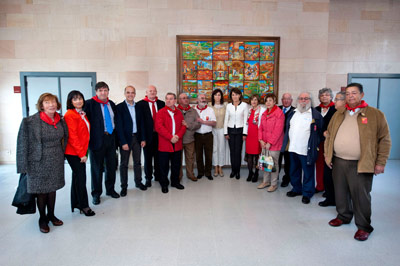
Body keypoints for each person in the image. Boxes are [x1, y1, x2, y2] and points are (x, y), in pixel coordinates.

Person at [325, 83, 391, 241]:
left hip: (361, 163)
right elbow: (329, 135)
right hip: (339, 161)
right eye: (347, 94)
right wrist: (328, 155)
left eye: (354, 93)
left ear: (362, 94)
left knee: (361, 196)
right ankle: (343, 216)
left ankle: (363, 226)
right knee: (340, 192)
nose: (350, 96)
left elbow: (385, 140)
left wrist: (380, 162)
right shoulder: (339, 113)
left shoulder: (375, 114)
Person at [17, 93, 68, 233]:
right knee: (41, 191)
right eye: (47, 102)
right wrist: (22, 166)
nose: (51, 105)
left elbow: (66, 138)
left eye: (53, 102)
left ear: (57, 105)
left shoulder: (60, 120)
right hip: (37, 161)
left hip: (56, 159)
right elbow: (22, 144)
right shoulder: (30, 121)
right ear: (41, 105)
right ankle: (42, 218)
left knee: (52, 189)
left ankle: (51, 215)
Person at [282, 92, 323, 204]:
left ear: (310, 100)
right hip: (293, 148)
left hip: (306, 150)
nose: (303, 101)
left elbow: (319, 133)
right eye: (301, 99)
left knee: (308, 172)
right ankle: (296, 189)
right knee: (293, 171)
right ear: (298, 100)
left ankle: (307, 193)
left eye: (306, 98)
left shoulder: (315, 115)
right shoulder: (293, 113)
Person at [85, 81, 119, 205]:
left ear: (108, 91)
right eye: (100, 90)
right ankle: (96, 194)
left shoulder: (111, 104)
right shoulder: (89, 104)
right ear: (96, 92)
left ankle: (110, 190)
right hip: (96, 140)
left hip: (110, 138)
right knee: (96, 168)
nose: (103, 93)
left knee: (111, 166)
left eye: (105, 90)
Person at [64, 91, 95, 217]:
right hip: (74, 152)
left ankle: (76, 202)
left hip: (80, 150)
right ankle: (84, 206)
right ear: (70, 102)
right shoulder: (70, 115)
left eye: (80, 98)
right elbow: (73, 137)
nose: (78, 101)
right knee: (81, 178)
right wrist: (82, 154)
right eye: (75, 99)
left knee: (77, 178)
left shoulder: (81, 114)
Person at [116, 85, 146, 197]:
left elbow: (141, 124)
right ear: (125, 94)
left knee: (137, 162)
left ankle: (138, 182)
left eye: (132, 92)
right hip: (125, 139)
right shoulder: (119, 107)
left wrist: (143, 138)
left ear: (135, 94)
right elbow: (119, 126)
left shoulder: (139, 107)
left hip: (137, 138)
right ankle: (124, 187)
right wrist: (123, 142)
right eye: (128, 92)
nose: (130, 94)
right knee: (124, 164)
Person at [155, 93, 187, 193]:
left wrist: (177, 136)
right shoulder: (161, 112)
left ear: (175, 100)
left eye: (171, 99)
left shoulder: (179, 113)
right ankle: (164, 184)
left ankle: (175, 182)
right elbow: (159, 127)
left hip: (177, 143)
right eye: (167, 99)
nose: (168, 101)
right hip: (165, 143)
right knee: (163, 166)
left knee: (176, 164)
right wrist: (170, 137)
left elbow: (183, 126)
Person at [137, 85, 165, 187]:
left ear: (156, 92)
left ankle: (158, 175)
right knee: (148, 159)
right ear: (146, 92)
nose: (152, 93)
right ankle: (148, 178)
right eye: (150, 91)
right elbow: (140, 123)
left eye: (154, 91)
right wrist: (142, 138)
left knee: (159, 157)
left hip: (160, 136)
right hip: (147, 136)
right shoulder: (140, 104)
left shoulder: (161, 103)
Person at [257, 94, 285, 191]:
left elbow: (278, 130)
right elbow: (260, 128)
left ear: (274, 102)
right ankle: (266, 181)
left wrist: (270, 142)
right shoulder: (264, 113)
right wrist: (260, 140)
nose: (268, 102)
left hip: (274, 144)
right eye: (266, 101)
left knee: (273, 163)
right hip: (264, 143)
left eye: (270, 100)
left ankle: (273, 184)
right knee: (265, 161)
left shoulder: (279, 113)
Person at [315, 88, 336, 206]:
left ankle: (329, 191)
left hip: (330, 142)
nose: (324, 97)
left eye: (327, 95)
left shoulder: (335, 109)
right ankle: (319, 186)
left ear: (331, 97)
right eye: (322, 95)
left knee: (329, 166)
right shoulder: (316, 109)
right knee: (319, 164)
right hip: (318, 141)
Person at [224, 88, 249, 179]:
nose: (235, 96)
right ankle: (233, 170)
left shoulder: (244, 105)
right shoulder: (228, 106)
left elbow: (246, 120)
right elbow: (226, 119)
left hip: (240, 131)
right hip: (230, 130)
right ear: (231, 96)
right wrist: (225, 132)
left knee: (238, 152)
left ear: (240, 95)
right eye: (233, 95)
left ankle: (237, 171)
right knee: (232, 152)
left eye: (236, 94)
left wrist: (245, 133)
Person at [177, 93, 201, 182]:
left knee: (190, 158)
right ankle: (178, 175)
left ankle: (190, 174)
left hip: (189, 139)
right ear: (179, 100)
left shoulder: (193, 111)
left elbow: (198, 123)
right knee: (178, 159)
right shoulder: (175, 110)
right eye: (183, 98)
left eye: (187, 98)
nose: (186, 99)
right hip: (178, 140)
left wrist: (188, 125)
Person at [194, 93, 217, 180]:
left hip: (208, 136)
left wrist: (203, 122)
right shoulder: (193, 110)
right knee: (198, 156)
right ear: (197, 100)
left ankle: (208, 173)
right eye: (201, 98)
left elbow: (214, 123)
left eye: (204, 98)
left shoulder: (210, 110)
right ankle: (200, 172)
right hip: (197, 136)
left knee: (209, 155)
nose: (203, 100)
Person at [245, 94, 263, 182]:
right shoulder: (249, 111)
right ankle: (250, 172)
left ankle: (256, 173)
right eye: (252, 100)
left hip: (257, 136)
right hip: (249, 136)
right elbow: (246, 123)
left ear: (258, 101)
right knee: (249, 156)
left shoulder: (261, 110)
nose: (254, 101)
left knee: (257, 156)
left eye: (255, 100)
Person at [278, 93, 295, 187]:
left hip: (288, 141)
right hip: (277, 140)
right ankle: (274, 177)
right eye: (284, 99)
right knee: (277, 161)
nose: (286, 101)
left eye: (288, 99)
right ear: (282, 100)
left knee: (288, 162)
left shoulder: (295, 111)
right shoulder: (277, 109)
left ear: (291, 101)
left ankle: (286, 178)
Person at [210, 89, 227, 177]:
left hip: (222, 129)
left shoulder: (225, 106)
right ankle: (215, 167)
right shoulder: (210, 106)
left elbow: (227, 119)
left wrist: (226, 132)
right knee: (214, 148)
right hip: (212, 130)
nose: (217, 97)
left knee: (221, 148)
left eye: (219, 95)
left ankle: (220, 167)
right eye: (216, 95)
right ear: (213, 96)